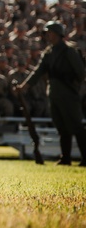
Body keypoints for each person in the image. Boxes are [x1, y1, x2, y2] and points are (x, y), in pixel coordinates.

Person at [16, 21, 86, 166]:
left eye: (50, 32)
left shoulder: (69, 51)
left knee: (76, 126)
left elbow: (80, 73)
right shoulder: (48, 52)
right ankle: (65, 158)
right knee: (61, 127)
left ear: (58, 34)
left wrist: (72, 85)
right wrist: (24, 86)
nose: (48, 35)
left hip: (68, 94)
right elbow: (38, 71)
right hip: (54, 93)